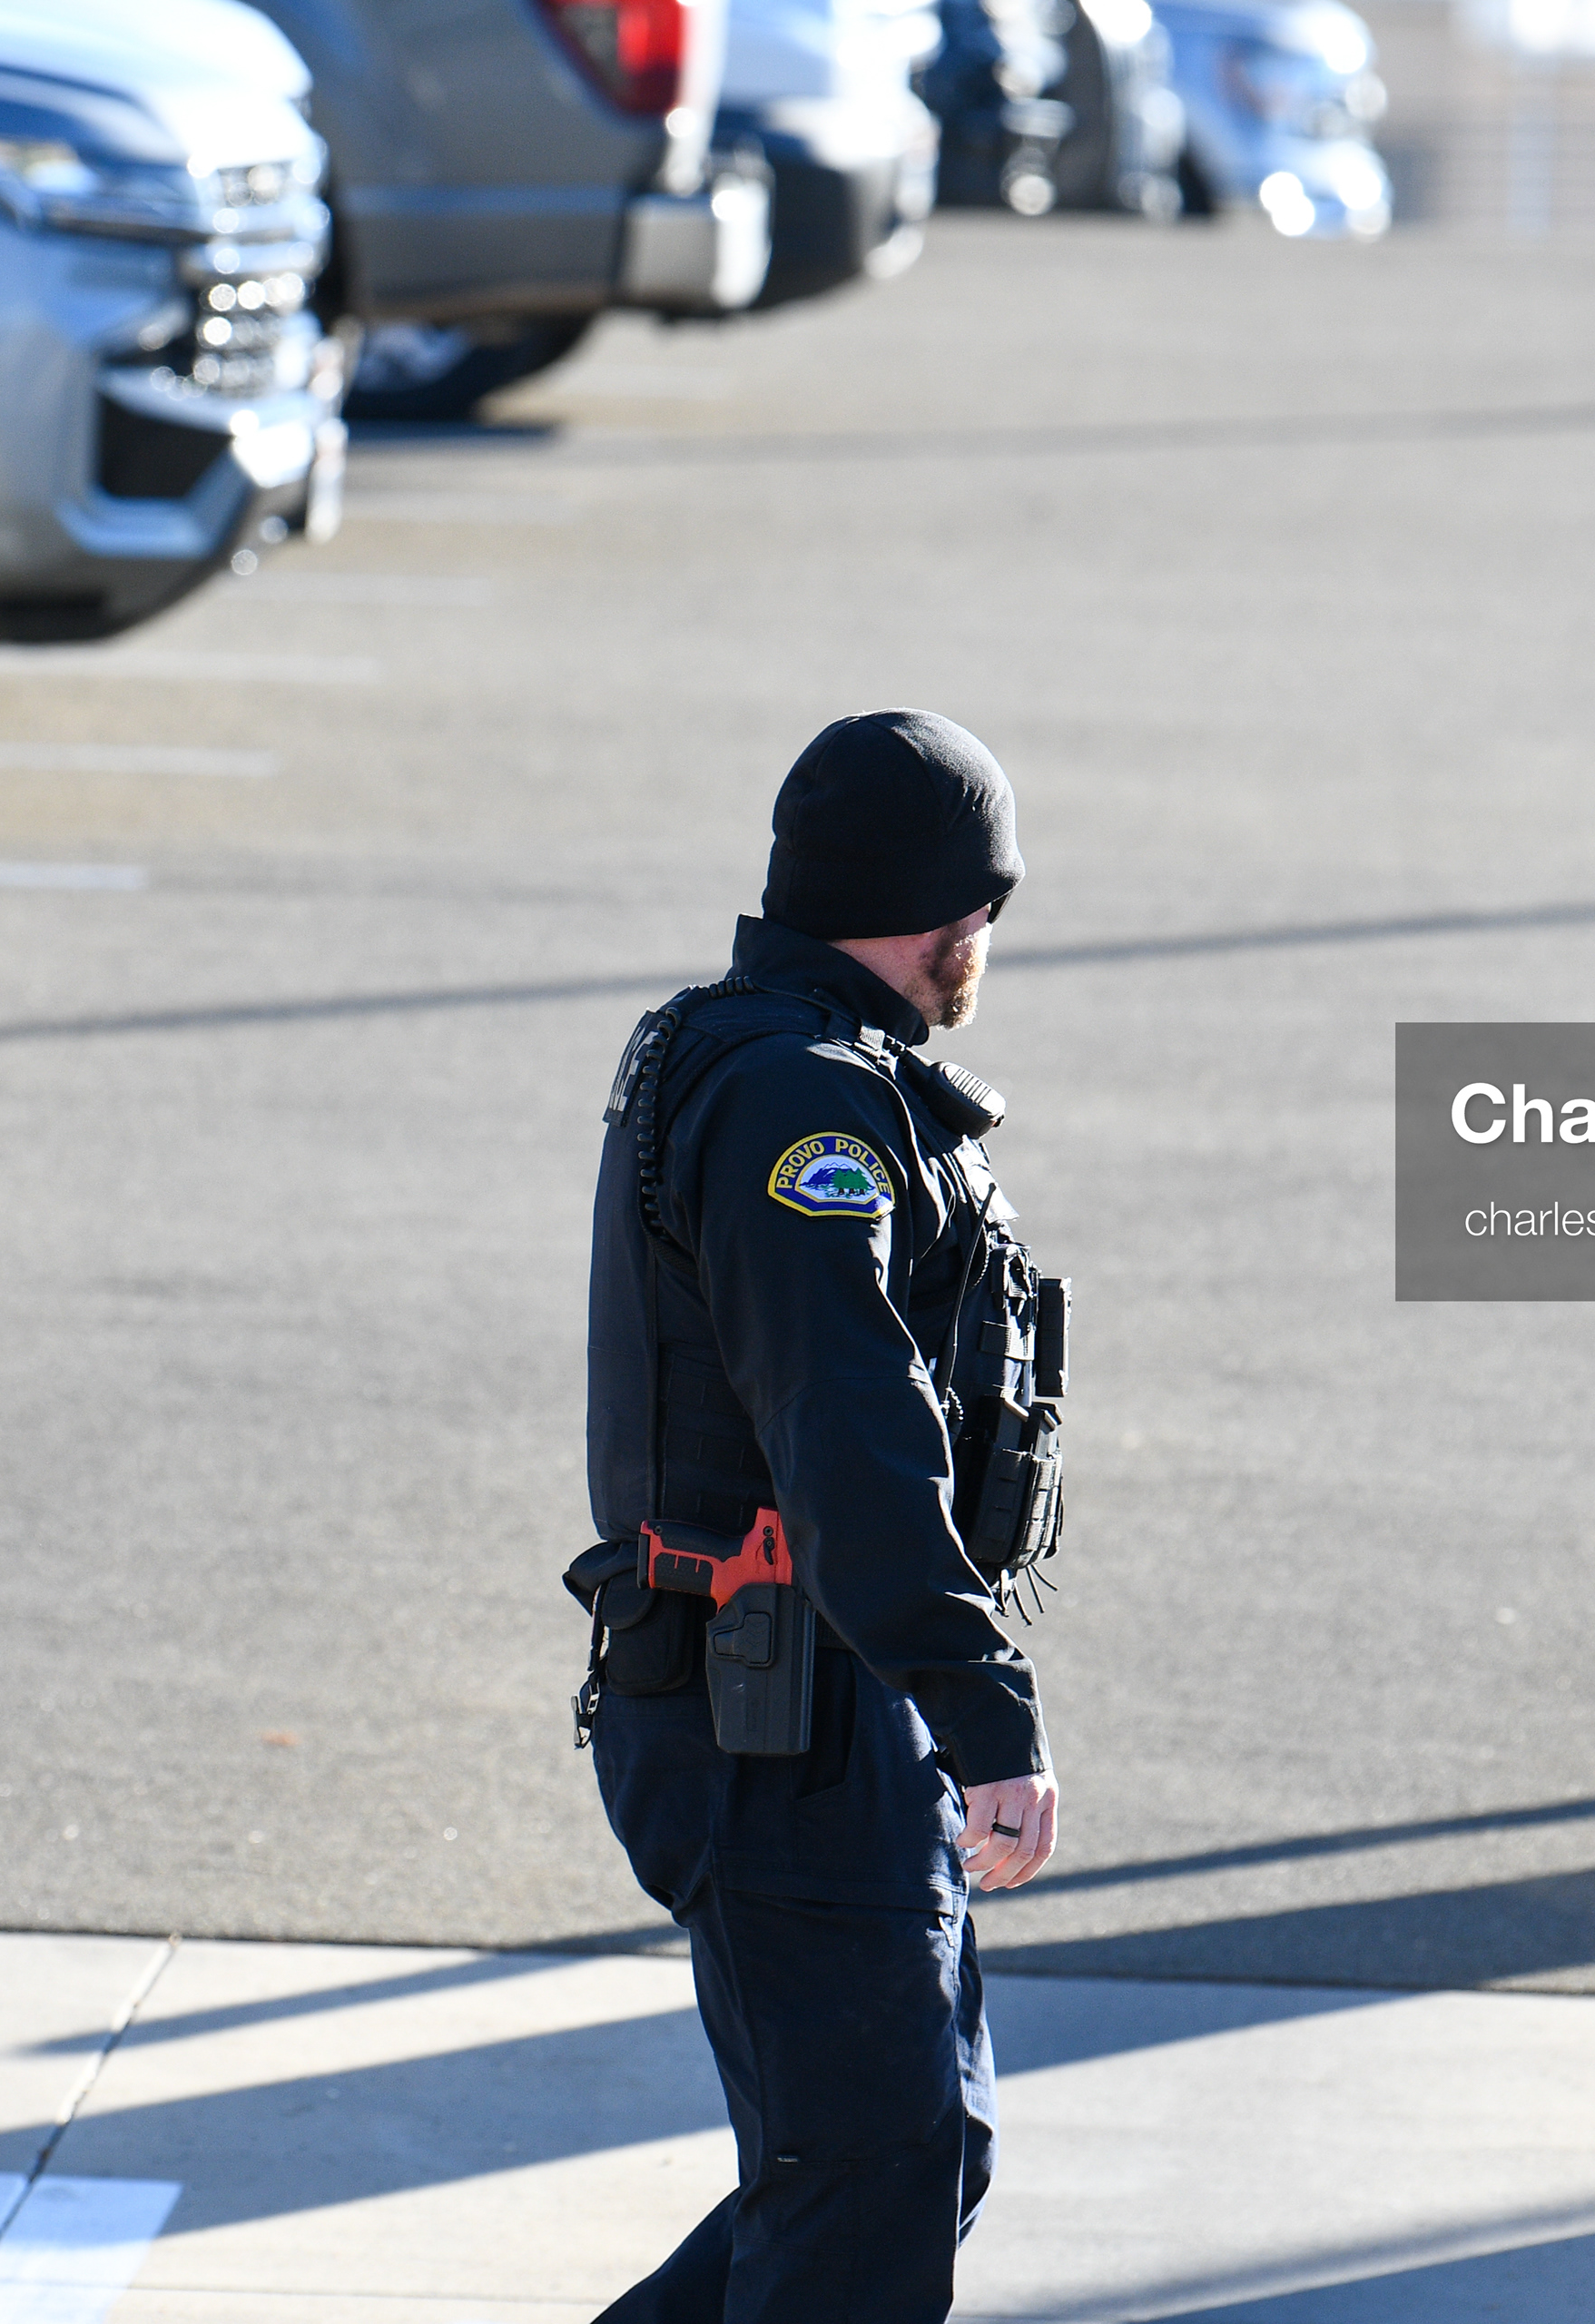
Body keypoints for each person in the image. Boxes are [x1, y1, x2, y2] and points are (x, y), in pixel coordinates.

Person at [570, 708, 1069, 2323]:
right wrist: (985, 1706)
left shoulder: (762, 1053)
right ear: (950, 907)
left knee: (908, 2159)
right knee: (863, 2192)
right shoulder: (804, 1107)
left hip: (812, 1698)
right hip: (782, 1720)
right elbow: (846, 1425)